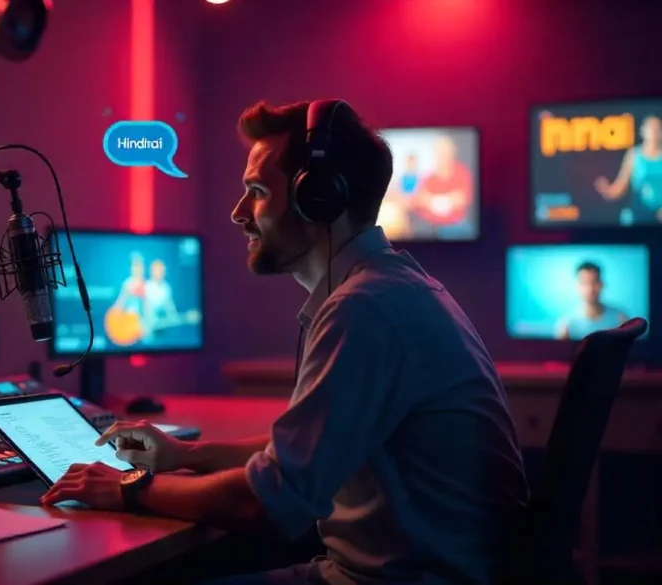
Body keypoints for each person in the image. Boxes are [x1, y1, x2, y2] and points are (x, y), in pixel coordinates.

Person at [41, 99, 529, 585]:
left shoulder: (365, 309)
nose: (237, 213)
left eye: (255, 191)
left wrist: (129, 487)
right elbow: (305, 452)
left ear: (317, 197)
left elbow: (267, 501)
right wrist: (185, 456)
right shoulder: (388, 288)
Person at [594, 115, 662, 224]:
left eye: (657, 128)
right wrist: (606, 190)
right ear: (643, 131)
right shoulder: (634, 155)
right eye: (650, 128)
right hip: (639, 219)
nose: (653, 132)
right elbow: (619, 187)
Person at [411, 136, 474, 237]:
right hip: (428, 227)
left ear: (453, 154)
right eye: (440, 153)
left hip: (455, 226)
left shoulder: (462, 172)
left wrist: (431, 200)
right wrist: (447, 200)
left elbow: (461, 200)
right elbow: (419, 199)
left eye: (446, 153)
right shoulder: (428, 177)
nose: (443, 157)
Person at [554, 261, 628, 341]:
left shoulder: (620, 319)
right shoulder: (566, 325)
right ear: (578, 286)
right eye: (585, 283)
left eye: (594, 282)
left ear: (602, 284)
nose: (590, 289)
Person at [141, 259, 181, 341]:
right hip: (147, 330)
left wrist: (174, 317)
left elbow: (170, 307)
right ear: (152, 271)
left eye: (162, 270)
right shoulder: (146, 287)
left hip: (162, 329)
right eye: (158, 270)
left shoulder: (166, 288)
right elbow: (144, 308)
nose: (160, 272)